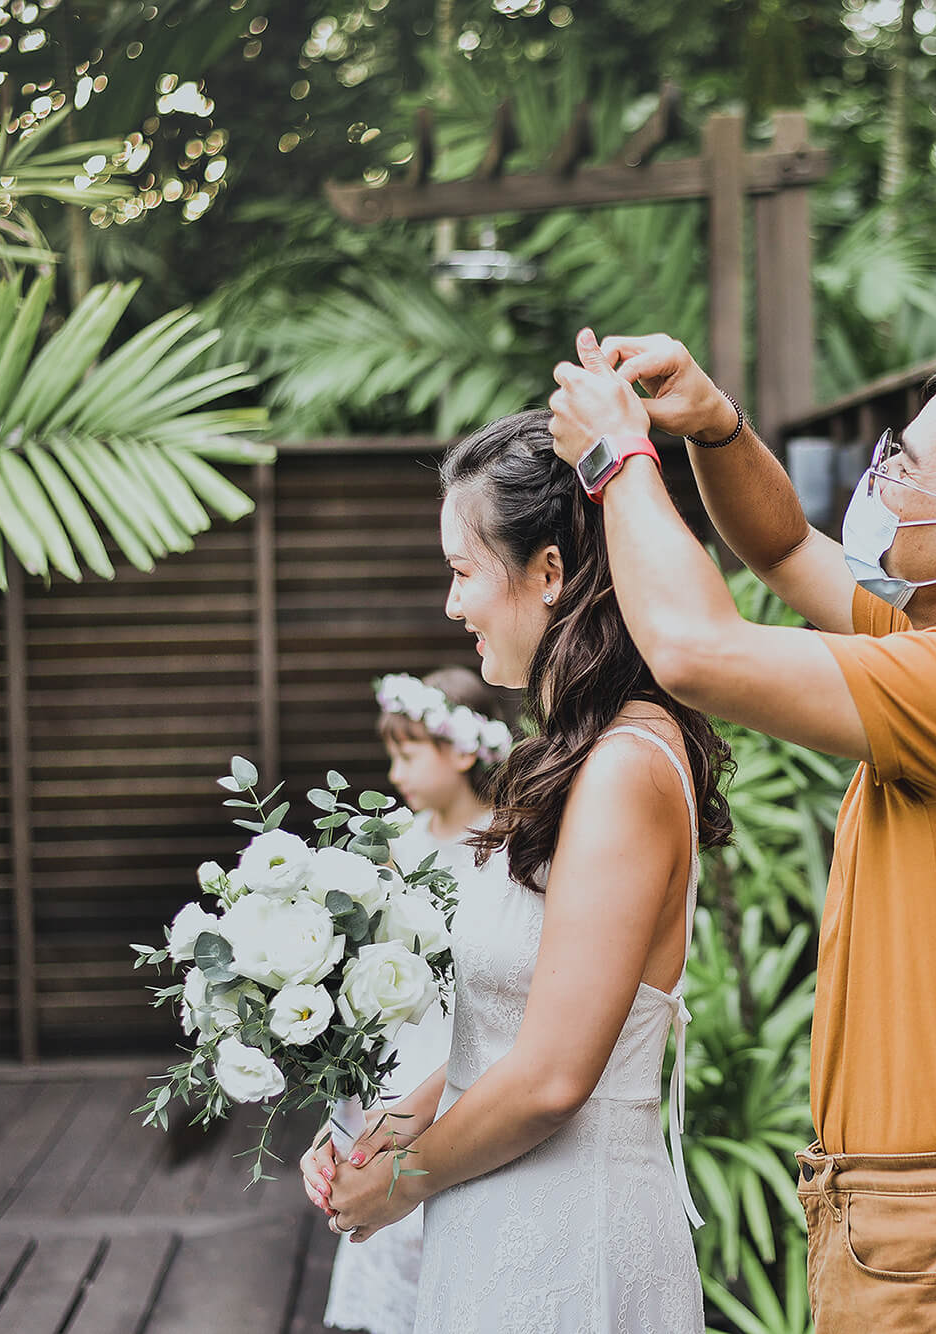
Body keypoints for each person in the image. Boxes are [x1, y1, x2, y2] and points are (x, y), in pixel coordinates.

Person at [546, 328, 936, 1333]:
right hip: (924, 1220)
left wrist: (614, 456)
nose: (879, 473)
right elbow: (778, 548)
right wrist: (713, 426)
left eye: (902, 465)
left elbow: (691, 648)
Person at [307, 409, 729, 1334]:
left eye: (463, 573)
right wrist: (373, 1138)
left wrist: (398, 1187)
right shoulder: (571, 754)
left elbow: (550, 1077)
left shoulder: (624, 766)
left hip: (572, 1240)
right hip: (498, 1221)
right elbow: (499, 1040)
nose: (451, 605)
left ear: (549, 573)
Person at [318, 667, 514, 1334]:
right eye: (391, 754)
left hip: (460, 1043)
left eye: (408, 753)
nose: (395, 770)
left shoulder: (505, 844)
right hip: (396, 1043)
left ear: (462, 752)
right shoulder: (394, 842)